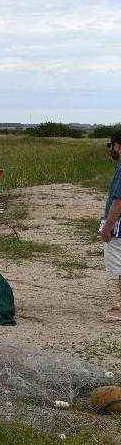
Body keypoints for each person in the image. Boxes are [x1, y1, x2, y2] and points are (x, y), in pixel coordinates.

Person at [100, 131, 121, 322]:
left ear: (118, 146)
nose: (110, 149)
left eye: (111, 145)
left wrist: (108, 226)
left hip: (119, 227)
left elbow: (119, 201)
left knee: (119, 267)